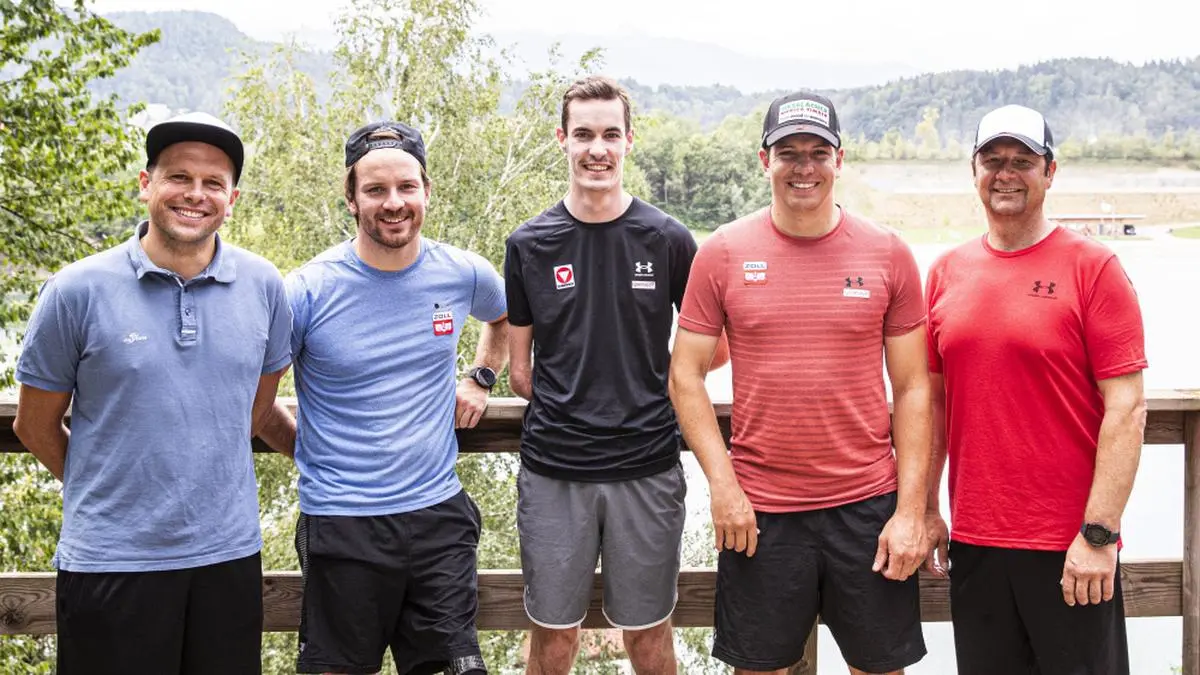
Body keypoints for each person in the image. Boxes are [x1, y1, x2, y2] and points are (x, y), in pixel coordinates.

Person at [13, 112, 292, 674]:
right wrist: (112, 486)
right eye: (178, 177)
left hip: (228, 558)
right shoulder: (76, 291)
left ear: (231, 198)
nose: (195, 194)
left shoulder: (265, 286)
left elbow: (257, 408)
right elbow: (33, 425)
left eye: (213, 183)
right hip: (110, 561)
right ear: (146, 184)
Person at [669, 91, 930, 675]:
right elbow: (684, 375)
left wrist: (910, 510)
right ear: (764, 160)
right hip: (760, 513)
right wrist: (723, 486)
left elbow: (913, 388)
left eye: (819, 152)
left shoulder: (888, 253)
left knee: (881, 669)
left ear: (841, 159)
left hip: (868, 508)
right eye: (789, 152)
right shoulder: (723, 252)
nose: (804, 167)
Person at [256, 120, 508, 675]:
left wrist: (481, 377)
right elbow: (257, 404)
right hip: (342, 524)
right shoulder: (306, 291)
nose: (393, 203)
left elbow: (505, 317)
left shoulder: (463, 271)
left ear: (426, 191)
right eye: (375, 190)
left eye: (406, 187)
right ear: (351, 199)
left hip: (439, 517)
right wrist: (310, 455)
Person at [504, 75, 727, 675]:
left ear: (629, 140)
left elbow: (716, 349)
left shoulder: (669, 239)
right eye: (583, 135)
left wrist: (653, 385)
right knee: (553, 638)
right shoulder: (528, 243)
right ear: (562, 140)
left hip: (647, 468)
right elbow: (520, 372)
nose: (596, 148)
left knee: (650, 638)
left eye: (609, 134)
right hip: (554, 473)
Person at [923, 104, 1147, 675]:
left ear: (1051, 172)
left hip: (1070, 547)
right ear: (973, 171)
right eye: (992, 160)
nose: (1006, 173)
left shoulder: (1093, 268)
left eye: (1023, 161)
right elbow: (933, 404)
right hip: (974, 543)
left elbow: (1127, 407)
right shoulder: (947, 272)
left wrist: (1099, 535)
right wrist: (924, 508)